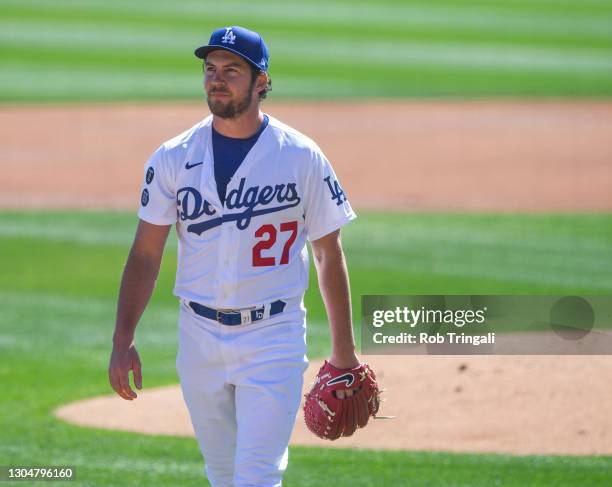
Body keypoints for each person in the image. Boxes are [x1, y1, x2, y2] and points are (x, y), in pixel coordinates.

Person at [108, 25, 360, 487]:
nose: (216, 80)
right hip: (198, 335)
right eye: (210, 69)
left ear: (261, 81)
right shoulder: (172, 157)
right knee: (222, 475)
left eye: (231, 70)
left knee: (258, 476)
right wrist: (122, 337)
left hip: (273, 335)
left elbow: (328, 255)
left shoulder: (301, 156)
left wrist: (344, 354)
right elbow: (146, 253)